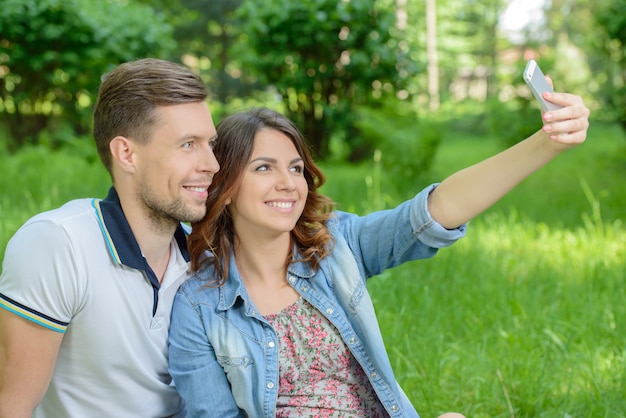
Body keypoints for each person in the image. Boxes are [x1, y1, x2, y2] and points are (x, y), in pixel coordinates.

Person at [168, 88, 589, 416]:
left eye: (295, 167)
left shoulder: (335, 247)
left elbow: (431, 214)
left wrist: (547, 142)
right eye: (264, 168)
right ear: (224, 189)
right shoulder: (199, 306)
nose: (288, 183)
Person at [0, 58, 220, 417]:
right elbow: (11, 407)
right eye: (188, 145)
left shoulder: (205, 258)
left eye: (210, 143)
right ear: (126, 153)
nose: (212, 164)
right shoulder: (59, 244)